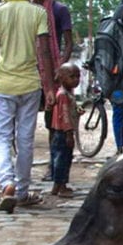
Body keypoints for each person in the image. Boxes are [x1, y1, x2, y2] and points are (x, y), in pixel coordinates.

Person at [0, 0, 56, 213]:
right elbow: (45, 53)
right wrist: (48, 88)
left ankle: (6, 184)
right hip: (30, 85)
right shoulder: (38, 13)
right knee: (25, 139)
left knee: (1, 137)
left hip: (3, 84)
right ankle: (22, 191)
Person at [29, 0, 74, 181]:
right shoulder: (29, 10)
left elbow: (68, 42)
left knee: (53, 123)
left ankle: (53, 165)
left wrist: (60, 67)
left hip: (54, 74)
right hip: (31, 70)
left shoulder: (59, 10)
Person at [50, 63, 79, 198]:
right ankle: (59, 185)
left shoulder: (68, 94)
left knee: (64, 158)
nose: (76, 80)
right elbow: (65, 115)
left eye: (78, 77)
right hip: (63, 133)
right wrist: (69, 133)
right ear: (62, 78)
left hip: (62, 132)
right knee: (62, 159)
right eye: (72, 77)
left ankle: (61, 184)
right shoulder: (63, 95)